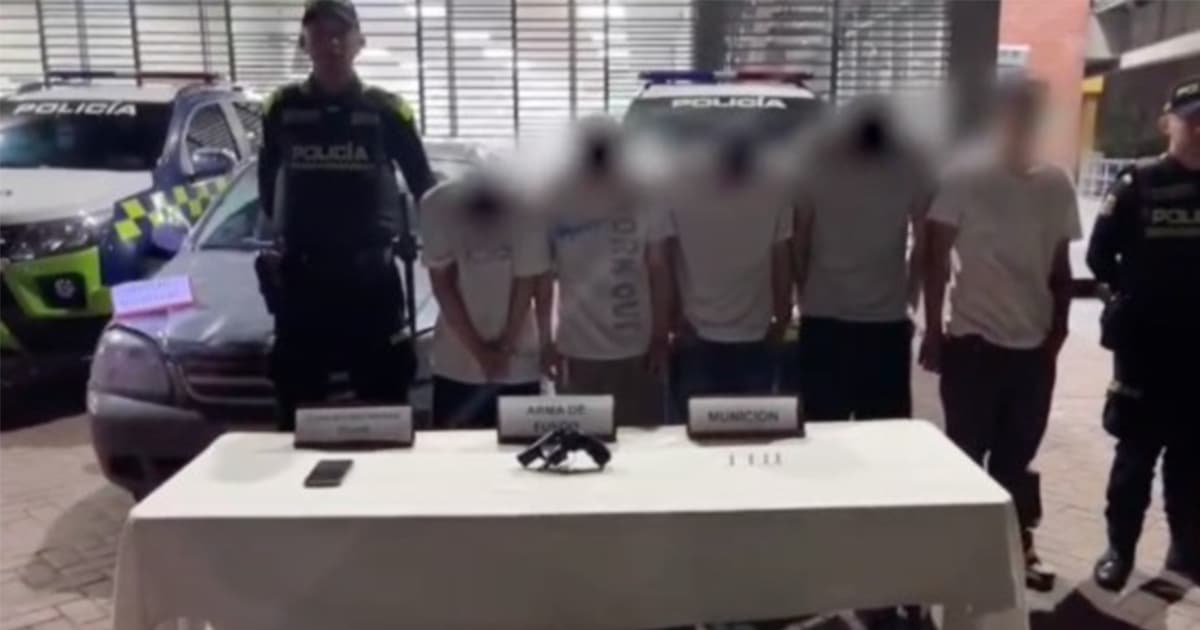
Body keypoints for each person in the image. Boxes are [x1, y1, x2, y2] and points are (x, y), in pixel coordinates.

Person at [920, 78, 1079, 592]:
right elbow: (935, 258)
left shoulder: (1056, 184)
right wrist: (933, 331)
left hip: (1032, 350)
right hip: (973, 345)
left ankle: (1017, 547)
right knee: (964, 456)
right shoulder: (965, 177)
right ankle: (957, 556)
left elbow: (1059, 267)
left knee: (1017, 458)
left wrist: (1057, 334)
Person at [257, 0, 436, 430]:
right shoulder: (280, 109)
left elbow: (426, 191)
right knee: (296, 415)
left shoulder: (388, 111)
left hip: (371, 285)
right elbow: (266, 188)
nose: (331, 44)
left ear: (360, 42)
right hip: (303, 285)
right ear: (304, 43)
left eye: (340, 34)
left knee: (385, 412)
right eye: (320, 34)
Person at [1088, 76, 1200, 591]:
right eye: (1190, 120)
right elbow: (1099, 256)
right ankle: (1120, 551)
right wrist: (1129, 300)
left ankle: (1186, 550)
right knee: (1134, 459)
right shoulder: (1138, 182)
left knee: (1191, 462)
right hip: (1146, 349)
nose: (1199, 130)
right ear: (1167, 124)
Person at [794, 96, 933, 421]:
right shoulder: (909, 171)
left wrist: (803, 292)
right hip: (885, 322)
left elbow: (799, 239)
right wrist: (910, 294)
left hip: (823, 317)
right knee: (883, 432)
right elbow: (924, 240)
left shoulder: (815, 169)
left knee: (822, 430)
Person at [534, 118, 672, 425]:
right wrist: (545, 342)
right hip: (581, 349)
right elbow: (543, 280)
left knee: (626, 441)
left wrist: (661, 336)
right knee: (589, 440)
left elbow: (659, 270)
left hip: (634, 350)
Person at [662, 131, 794, 419]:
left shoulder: (679, 195)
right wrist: (782, 319)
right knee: (751, 433)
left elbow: (667, 260)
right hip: (755, 334)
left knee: (692, 434)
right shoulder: (774, 195)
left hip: (695, 334)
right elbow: (781, 263)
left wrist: (671, 320)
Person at [421, 173, 547, 428]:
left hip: (519, 363)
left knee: (520, 446)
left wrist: (505, 348)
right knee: (452, 448)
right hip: (455, 362)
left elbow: (527, 281)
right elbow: (442, 284)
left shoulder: (529, 204)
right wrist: (480, 351)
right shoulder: (437, 203)